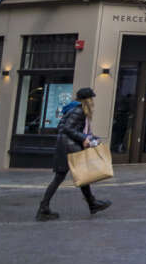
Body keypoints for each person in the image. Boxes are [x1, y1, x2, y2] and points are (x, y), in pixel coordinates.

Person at [36, 87, 111, 220]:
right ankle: (44, 208)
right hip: (68, 148)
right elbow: (66, 128)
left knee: (77, 176)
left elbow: (73, 128)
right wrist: (83, 138)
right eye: (91, 98)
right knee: (63, 177)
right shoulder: (79, 110)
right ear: (87, 100)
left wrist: (92, 138)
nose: (93, 101)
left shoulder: (76, 109)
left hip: (67, 146)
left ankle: (91, 204)